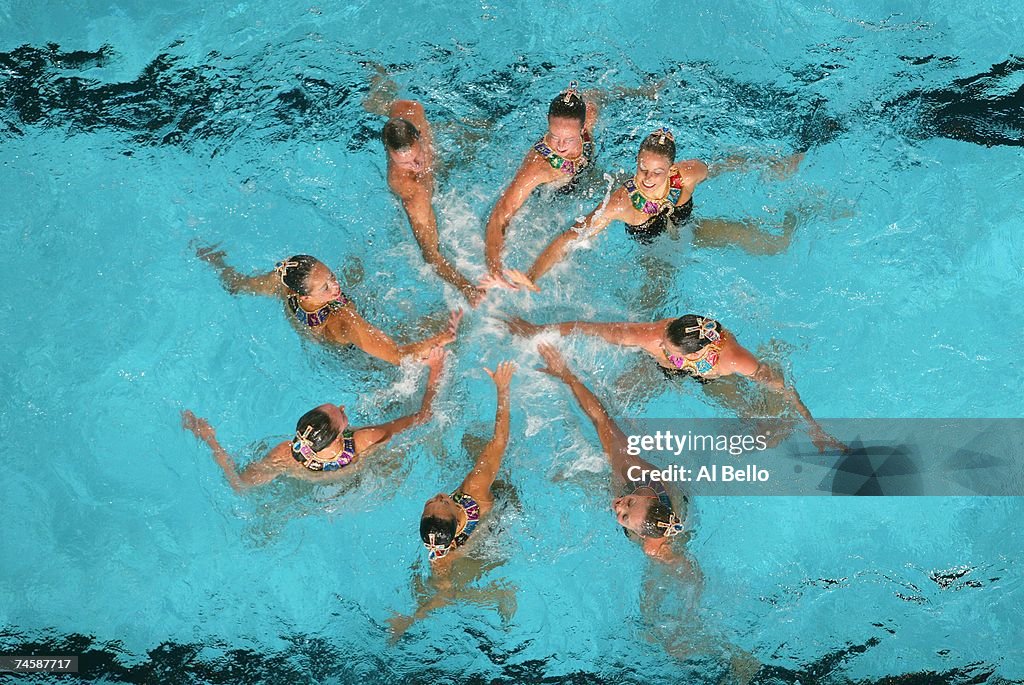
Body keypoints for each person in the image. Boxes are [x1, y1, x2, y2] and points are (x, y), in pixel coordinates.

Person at [512, 127, 803, 289]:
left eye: (657, 172)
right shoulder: (621, 202)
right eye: (642, 169)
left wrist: (774, 165)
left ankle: (805, 211)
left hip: (692, 232)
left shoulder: (688, 174)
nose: (648, 179)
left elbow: (727, 164)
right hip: (656, 257)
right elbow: (570, 236)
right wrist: (532, 275)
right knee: (653, 305)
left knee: (777, 243)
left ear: (671, 169)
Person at [505, 314, 845, 453]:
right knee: (613, 408)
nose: (659, 347)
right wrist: (539, 331)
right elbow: (593, 328)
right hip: (667, 370)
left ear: (703, 353)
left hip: (712, 379)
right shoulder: (650, 338)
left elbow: (781, 386)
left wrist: (813, 427)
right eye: (663, 343)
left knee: (765, 432)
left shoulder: (733, 359)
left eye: (668, 349)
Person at [181, 348, 446, 492]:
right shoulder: (365, 439)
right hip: (363, 477)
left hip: (318, 488)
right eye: (342, 415)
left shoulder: (285, 454)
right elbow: (423, 417)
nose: (343, 408)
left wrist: (210, 439)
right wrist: (435, 369)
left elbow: (240, 485)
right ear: (340, 434)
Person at [534, 343, 695, 565]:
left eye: (624, 515)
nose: (619, 506)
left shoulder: (654, 547)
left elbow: (686, 571)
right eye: (629, 502)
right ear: (646, 496)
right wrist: (566, 375)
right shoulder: (632, 470)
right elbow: (601, 419)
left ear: (641, 534)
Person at [389, 360, 517, 640]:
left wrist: (410, 620)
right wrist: (503, 389)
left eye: (429, 504)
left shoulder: (439, 554)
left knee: (468, 442)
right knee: (482, 449)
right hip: (501, 518)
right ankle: (500, 595)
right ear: (455, 514)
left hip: (473, 542)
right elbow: (500, 441)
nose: (437, 496)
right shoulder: (472, 491)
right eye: (443, 501)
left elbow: (442, 593)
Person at [196, 247, 461, 366]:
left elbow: (238, 284)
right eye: (325, 287)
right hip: (353, 356)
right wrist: (443, 336)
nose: (336, 287)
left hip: (319, 342)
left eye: (332, 276)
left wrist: (219, 264)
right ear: (304, 294)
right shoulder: (343, 318)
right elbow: (397, 356)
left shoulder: (283, 282)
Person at [366, 86, 486, 306]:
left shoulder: (411, 110)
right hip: (421, 194)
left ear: (419, 137)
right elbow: (430, 254)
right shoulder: (411, 189)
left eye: (415, 155)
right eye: (404, 163)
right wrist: (465, 287)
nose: (416, 165)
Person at [482, 81, 600, 290]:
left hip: (584, 175)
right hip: (553, 194)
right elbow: (501, 213)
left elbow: (600, 98)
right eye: (554, 136)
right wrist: (494, 267)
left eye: (569, 138)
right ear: (548, 124)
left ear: (582, 129)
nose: (561, 146)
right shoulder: (539, 166)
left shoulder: (589, 114)